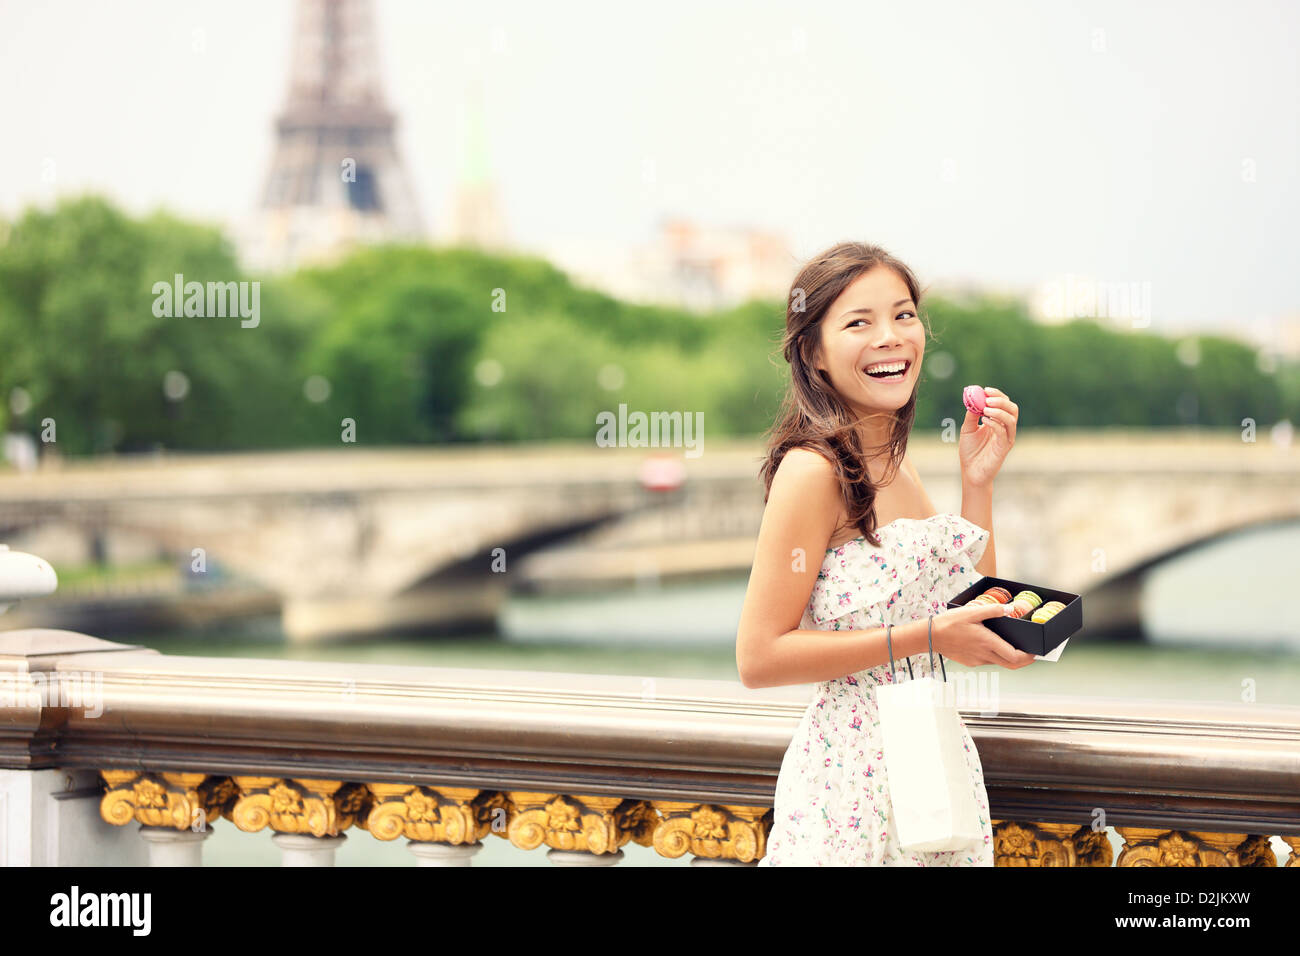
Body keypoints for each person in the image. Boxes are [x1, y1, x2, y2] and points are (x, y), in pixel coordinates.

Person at [736, 240, 1031, 866]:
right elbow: (759, 657)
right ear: (813, 353)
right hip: (849, 781)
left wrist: (978, 482)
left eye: (903, 315)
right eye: (859, 322)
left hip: (930, 764)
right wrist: (930, 637)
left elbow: (973, 601)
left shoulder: (900, 467)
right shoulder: (811, 471)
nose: (891, 337)